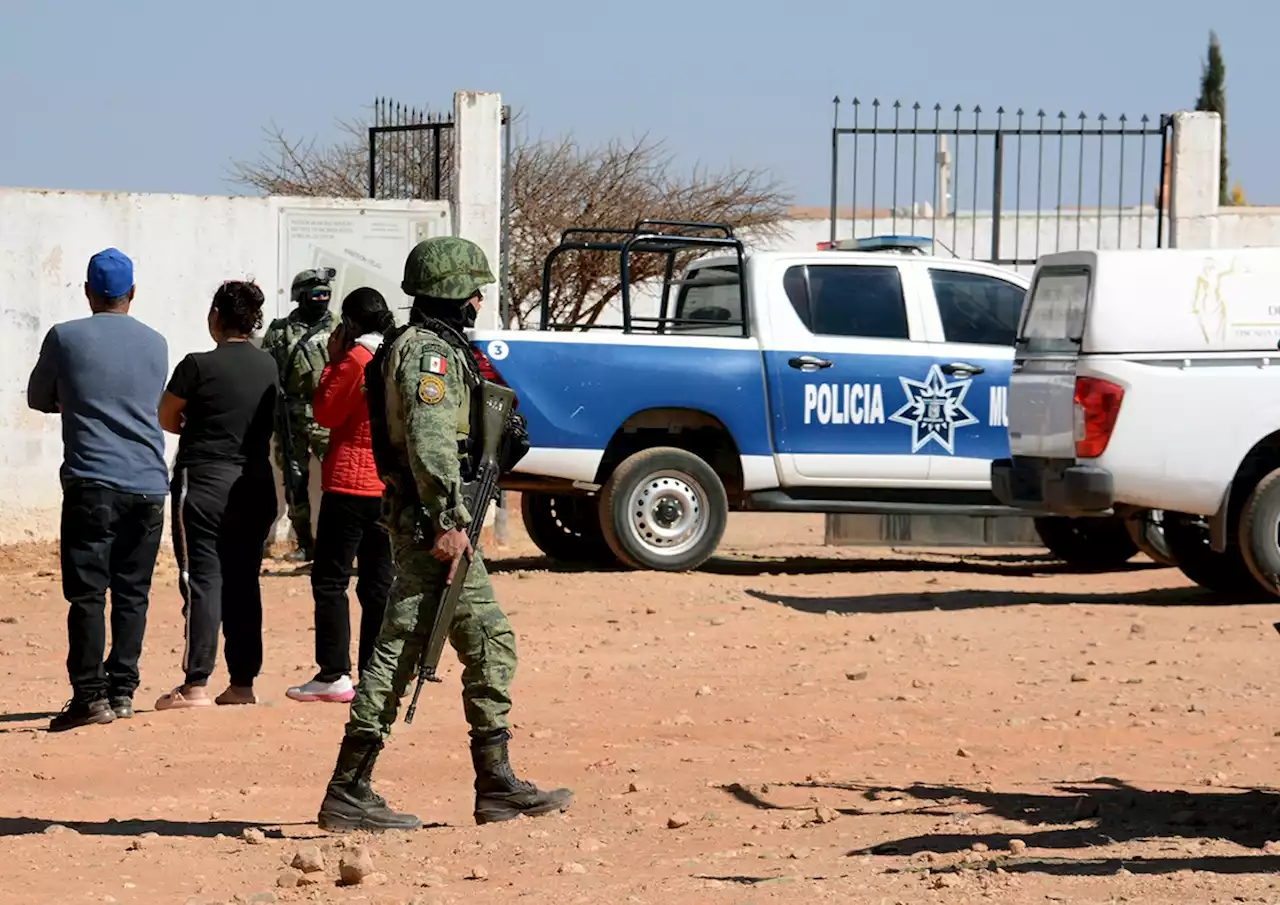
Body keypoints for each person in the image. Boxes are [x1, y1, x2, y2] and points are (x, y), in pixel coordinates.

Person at [316, 237, 571, 832]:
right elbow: (431, 442)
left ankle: (491, 781)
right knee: (415, 646)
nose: (480, 300)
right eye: (475, 290)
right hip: (434, 526)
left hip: (431, 520)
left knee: (462, 641)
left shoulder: (424, 346)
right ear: (457, 292)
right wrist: (448, 522)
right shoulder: (430, 354)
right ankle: (355, 788)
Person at [26, 248, 169, 732]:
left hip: (93, 482)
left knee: (88, 595)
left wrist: (73, 400)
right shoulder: (156, 342)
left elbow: (38, 397)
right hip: (149, 484)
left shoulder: (65, 337)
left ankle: (89, 697)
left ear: (88, 291)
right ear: (132, 293)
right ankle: (123, 690)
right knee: (134, 594)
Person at [153, 281, 280, 710]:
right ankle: (242, 683)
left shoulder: (196, 365)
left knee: (203, 580)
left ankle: (196, 684)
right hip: (256, 483)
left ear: (216, 317)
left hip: (205, 481)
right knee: (244, 581)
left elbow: (167, 416)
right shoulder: (269, 366)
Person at [287, 288, 397, 704]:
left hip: (350, 482)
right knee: (377, 583)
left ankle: (334, 673)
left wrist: (332, 363)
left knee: (331, 580)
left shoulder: (356, 360)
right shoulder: (395, 355)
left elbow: (327, 413)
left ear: (350, 324)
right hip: (385, 484)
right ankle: (374, 674)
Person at [262, 269, 336, 563]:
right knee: (294, 481)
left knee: (337, 481)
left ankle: (336, 543)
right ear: (299, 297)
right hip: (290, 416)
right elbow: (267, 370)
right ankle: (304, 541)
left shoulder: (340, 328)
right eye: (316, 295)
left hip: (328, 414)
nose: (322, 301)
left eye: (325, 295)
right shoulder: (280, 331)